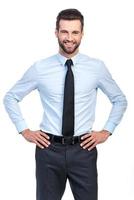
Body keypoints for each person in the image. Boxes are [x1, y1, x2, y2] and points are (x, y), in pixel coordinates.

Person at [4, 8, 127, 200]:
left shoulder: (97, 68)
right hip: (48, 150)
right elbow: (11, 97)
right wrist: (24, 130)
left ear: (82, 34)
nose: (69, 38)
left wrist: (106, 131)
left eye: (75, 32)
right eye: (64, 32)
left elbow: (119, 99)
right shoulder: (40, 68)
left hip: (84, 150)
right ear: (56, 33)